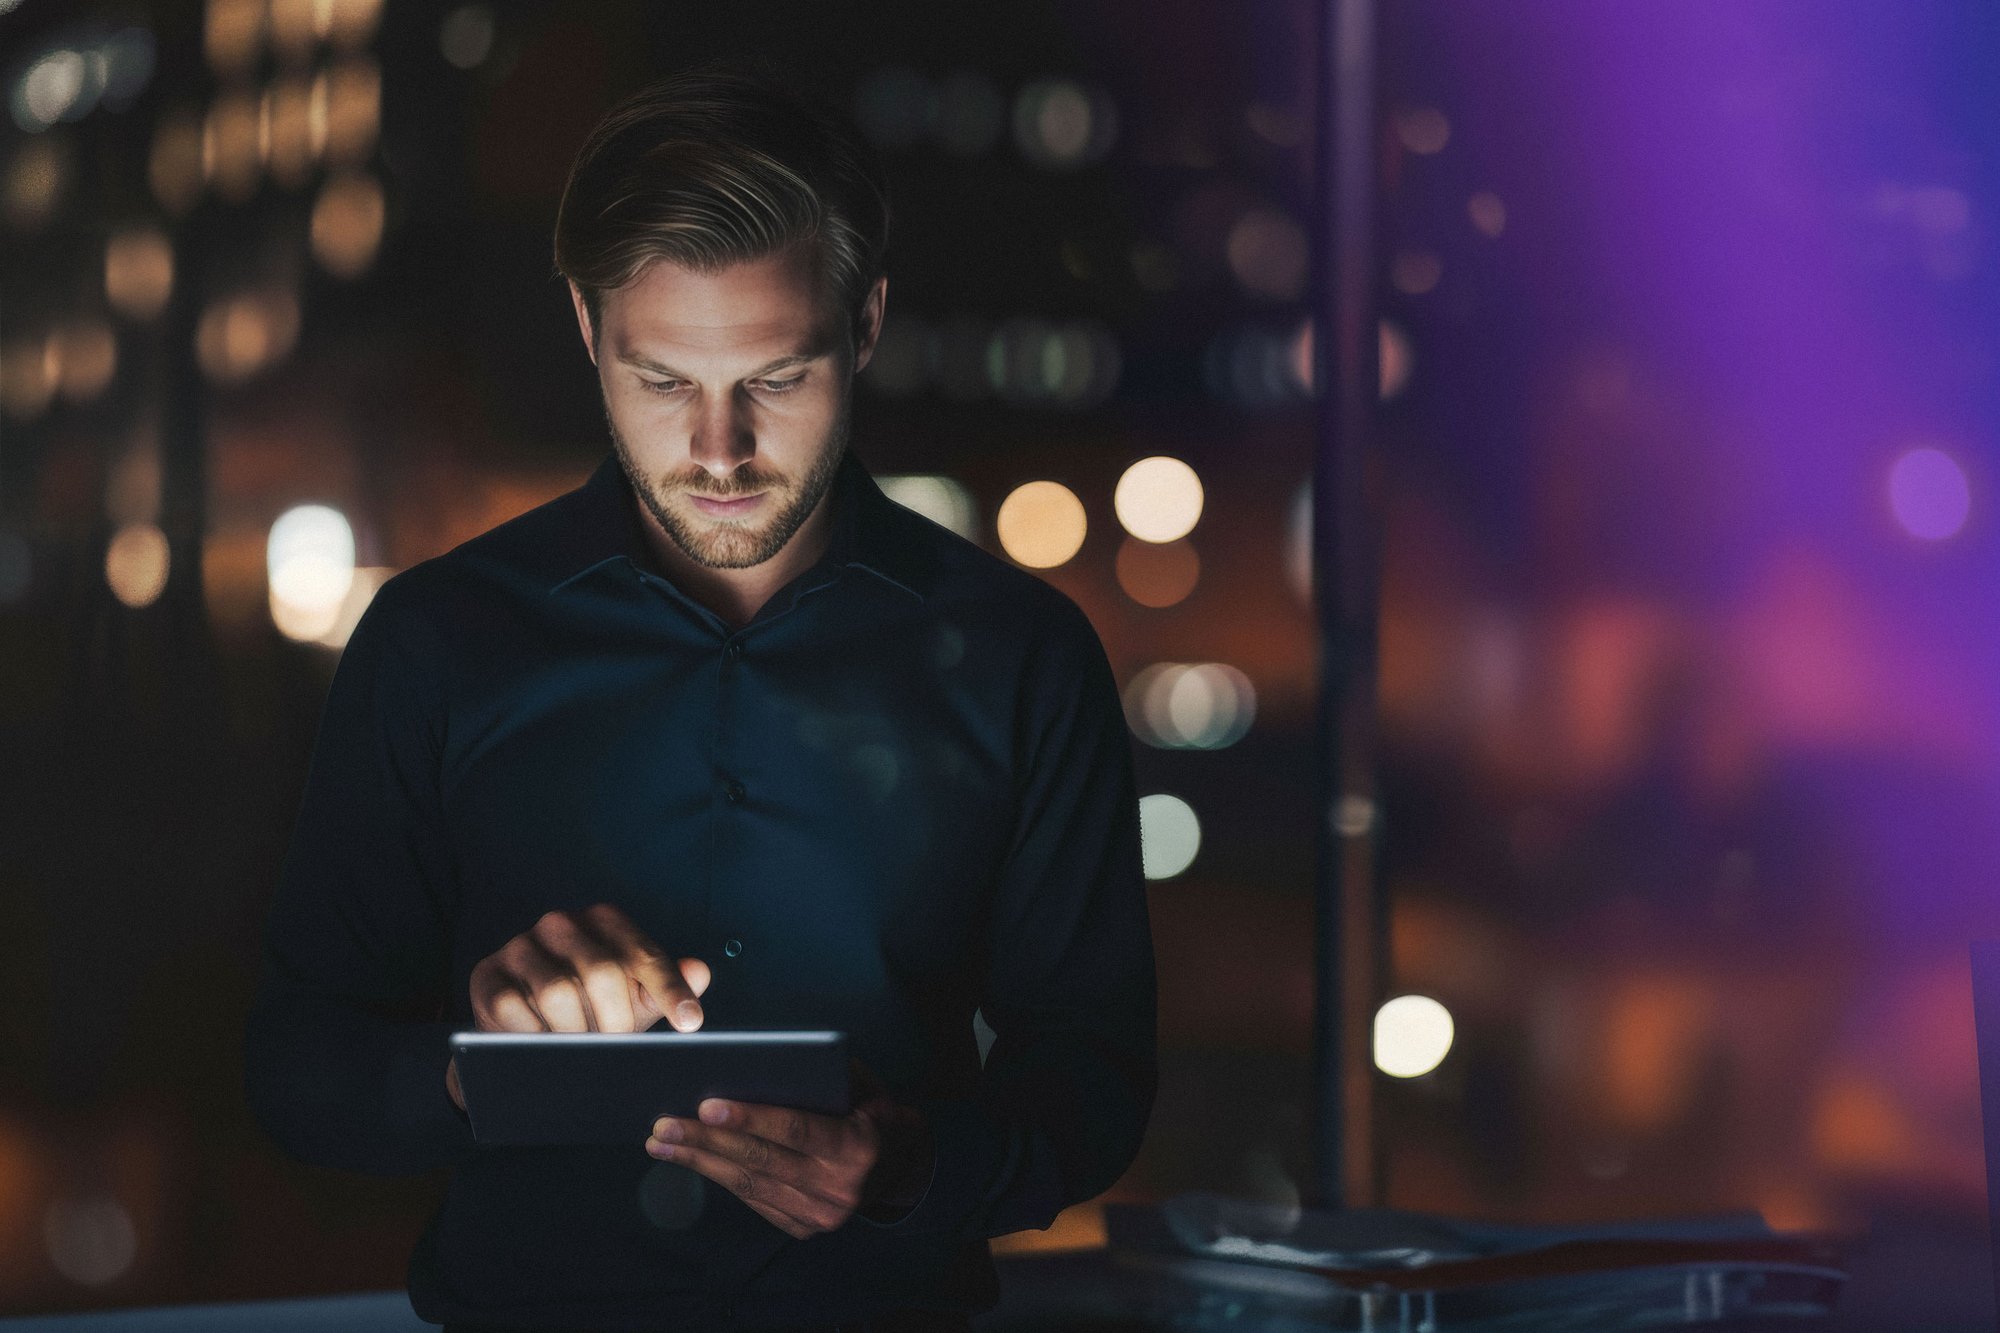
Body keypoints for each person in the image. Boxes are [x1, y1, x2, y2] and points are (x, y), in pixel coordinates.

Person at [241, 64, 1157, 1333]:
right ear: (584, 327)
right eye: (663, 380)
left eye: (775, 379)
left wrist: (910, 1168)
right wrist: (478, 1066)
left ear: (866, 324)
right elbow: (296, 1064)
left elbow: (1094, 1072)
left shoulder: (1023, 657)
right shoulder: (436, 640)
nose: (719, 452)